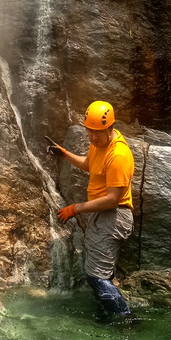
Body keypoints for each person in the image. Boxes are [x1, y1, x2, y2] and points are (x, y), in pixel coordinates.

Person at [47, 100, 134, 320]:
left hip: (114, 215)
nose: (93, 137)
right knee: (102, 274)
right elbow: (90, 164)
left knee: (97, 277)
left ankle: (127, 320)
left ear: (110, 128)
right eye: (90, 131)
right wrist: (64, 154)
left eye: (98, 132)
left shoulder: (119, 156)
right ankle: (106, 316)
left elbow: (113, 199)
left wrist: (76, 208)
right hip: (102, 214)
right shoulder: (100, 144)